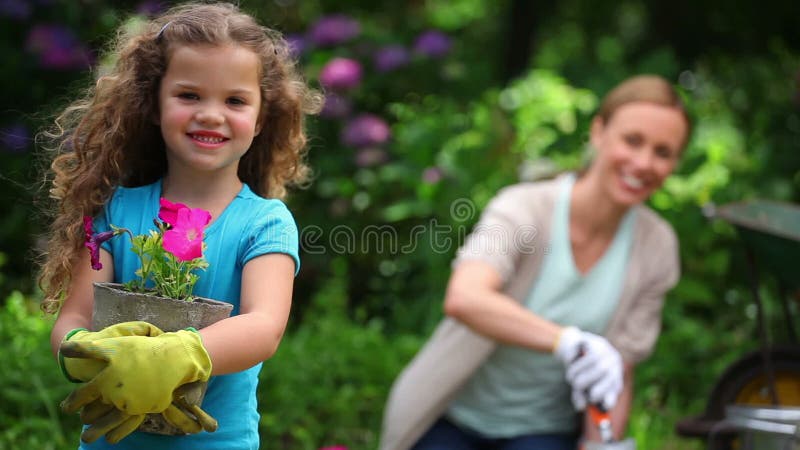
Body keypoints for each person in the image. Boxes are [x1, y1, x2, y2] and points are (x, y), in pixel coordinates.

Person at [37, 3, 321, 449]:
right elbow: (74, 315)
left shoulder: (265, 222)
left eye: (235, 100)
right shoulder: (114, 211)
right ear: (153, 103)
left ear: (262, 117)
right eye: (189, 95)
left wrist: (179, 354)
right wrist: (84, 353)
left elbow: (264, 325)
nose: (211, 114)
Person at [380, 75, 691, 450]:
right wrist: (567, 342)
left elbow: (617, 369)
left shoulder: (657, 246)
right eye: (633, 140)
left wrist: (599, 445)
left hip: (542, 432)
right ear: (598, 132)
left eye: (663, 152)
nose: (643, 163)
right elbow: (465, 297)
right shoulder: (522, 207)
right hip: (449, 417)